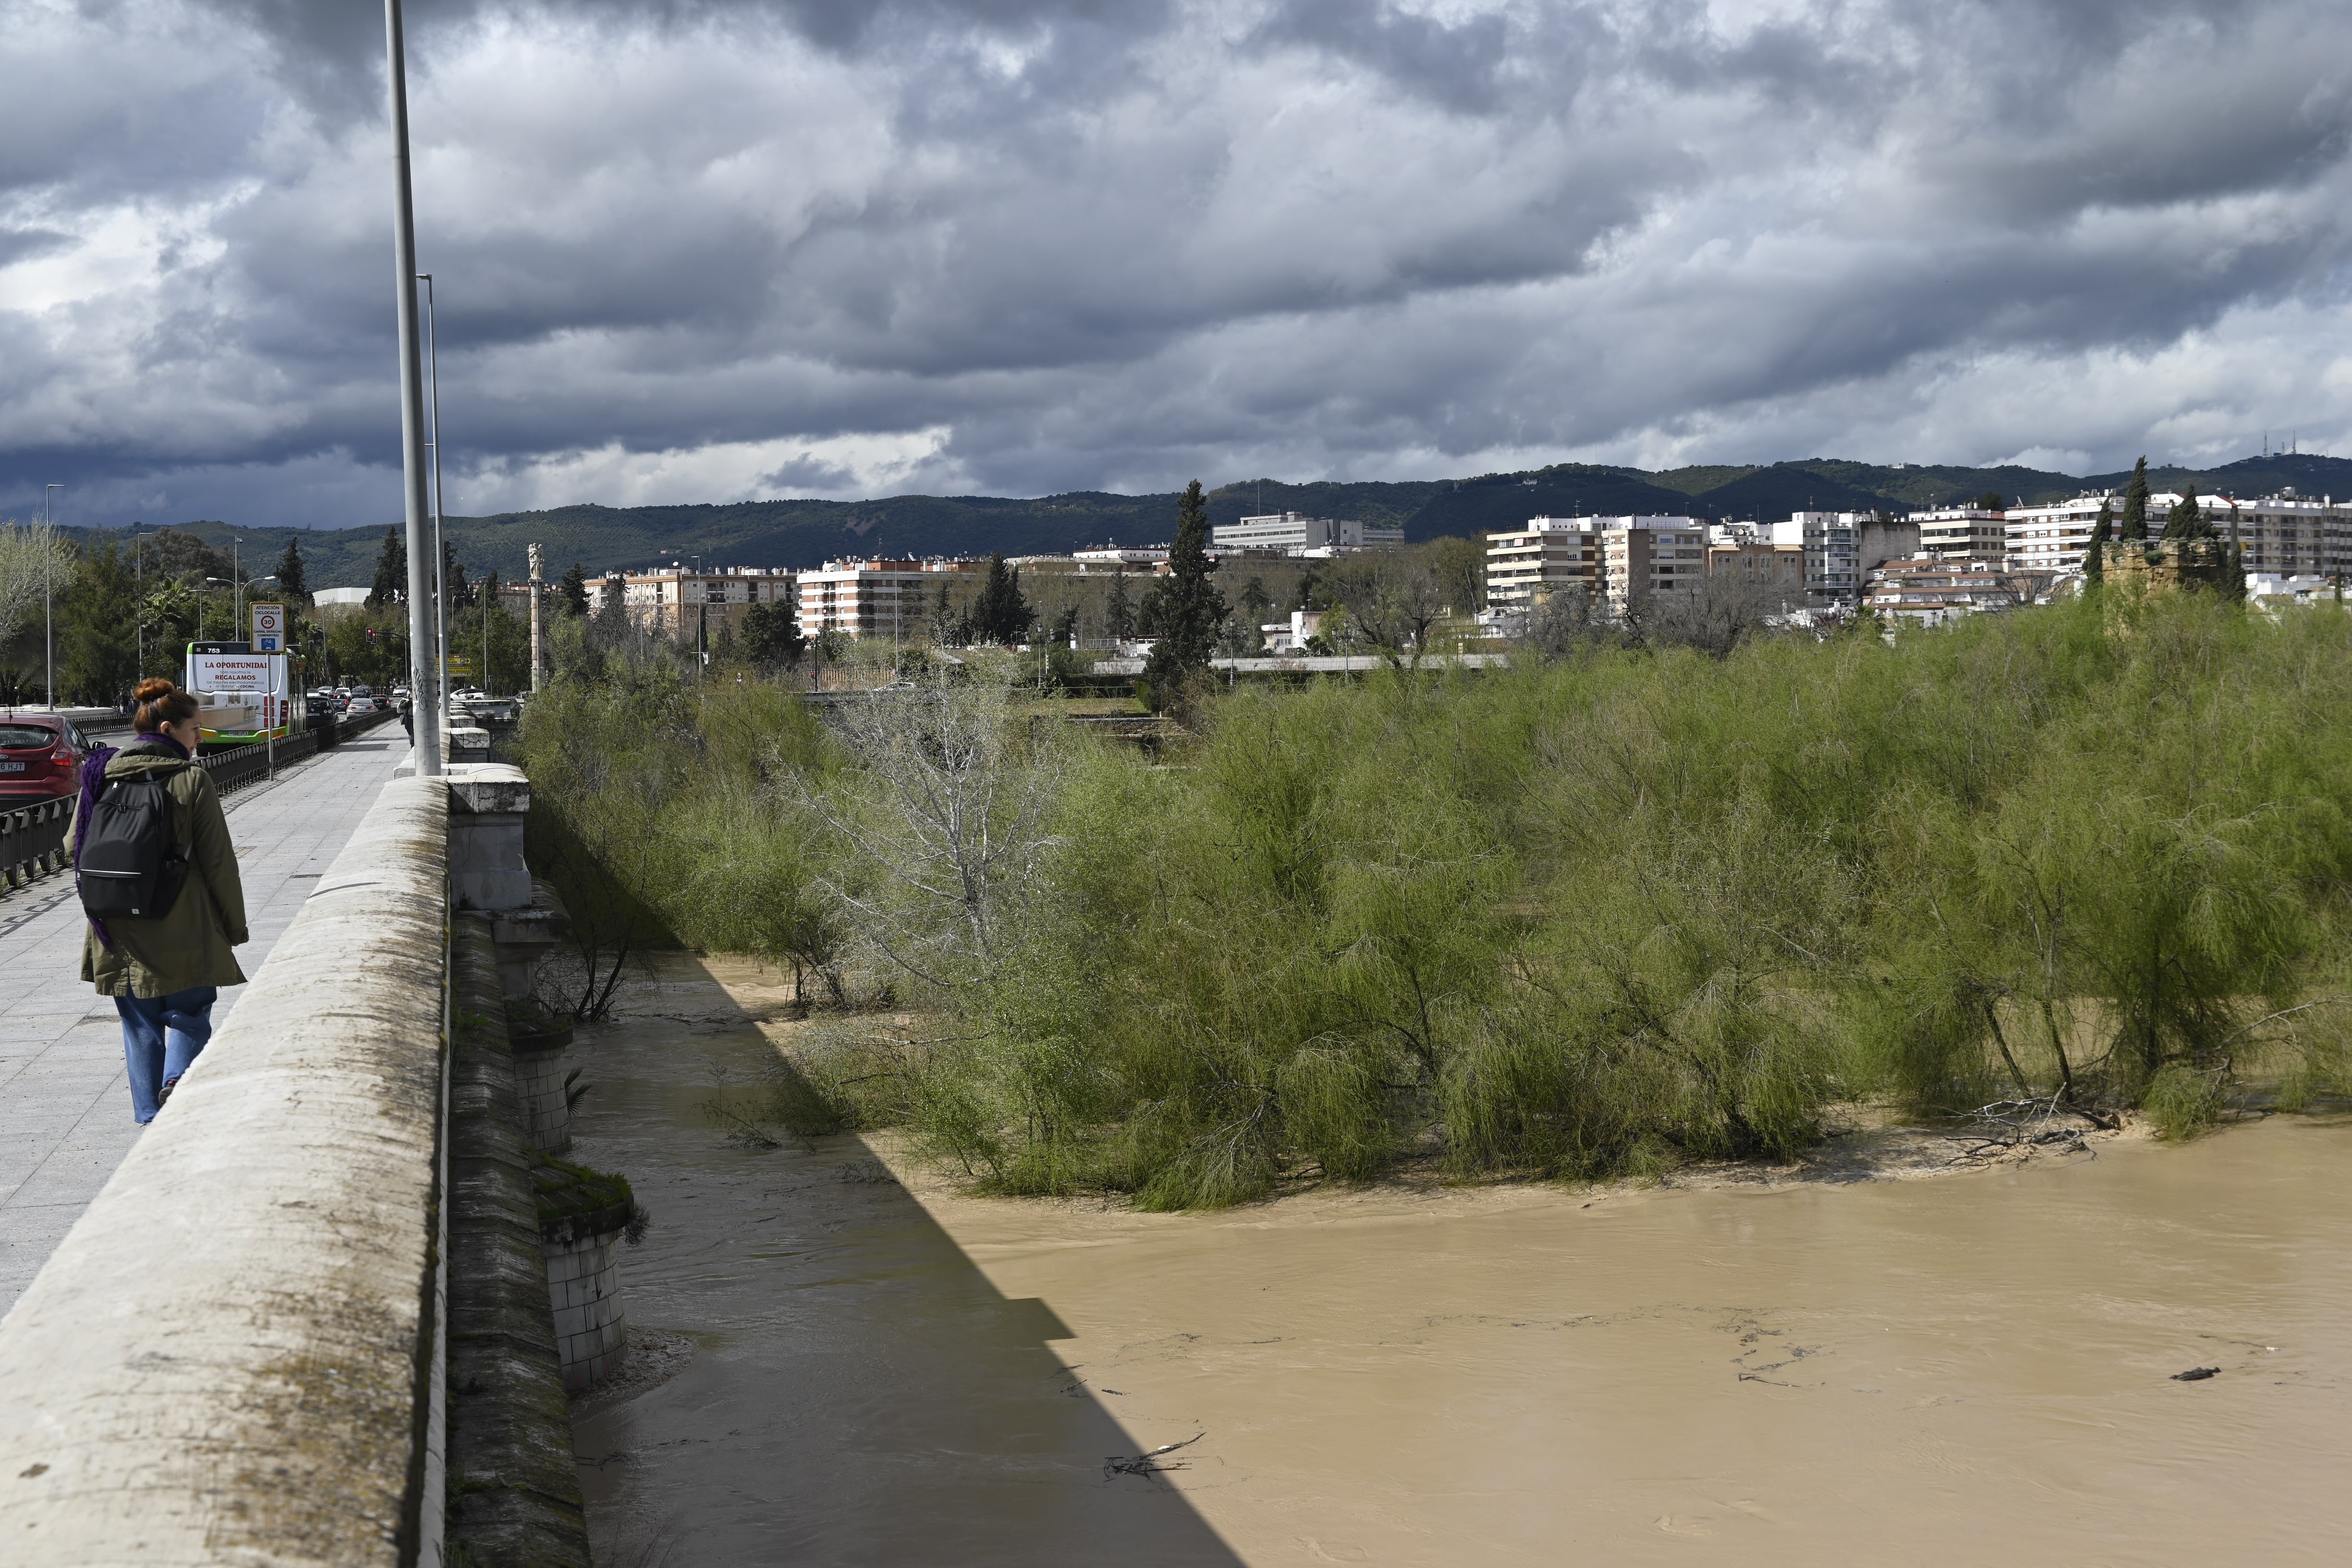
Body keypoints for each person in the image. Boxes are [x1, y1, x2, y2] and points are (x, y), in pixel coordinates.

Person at [66, 678, 250, 1124]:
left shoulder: (101, 773)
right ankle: (178, 1082)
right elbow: (220, 864)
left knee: (140, 1027)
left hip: (117, 929)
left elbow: (73, 845)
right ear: (169, 730)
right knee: (191, 1010)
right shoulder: (191, 780)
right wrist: (234, 926)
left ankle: (149, 1119)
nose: (200, 738)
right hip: (183, 924)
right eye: (194, 730)